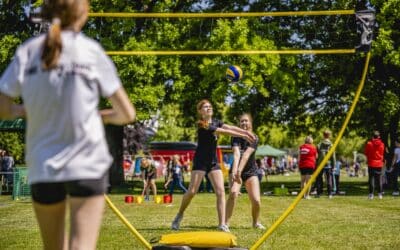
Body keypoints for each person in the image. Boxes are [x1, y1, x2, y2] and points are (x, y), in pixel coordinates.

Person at [0, 1, 136, 249]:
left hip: (43, 167)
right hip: (86, 164)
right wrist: (94, 115)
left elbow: (3, 108)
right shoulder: (90, 50)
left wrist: (28, 110)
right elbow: (126, 113)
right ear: (83, 14)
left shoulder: (28, 51)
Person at [171, 99, 255, 232]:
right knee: (192, 191)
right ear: (200, 111)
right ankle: (179, 215)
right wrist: (244, 134)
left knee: (221, 192)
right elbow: (224, 132)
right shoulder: (202, 124)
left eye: (210, 106)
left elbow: (230, 127)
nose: (208, 108)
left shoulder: (217, 121)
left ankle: (222, 224)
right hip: (200, 161)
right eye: (205, 107)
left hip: (213, 162)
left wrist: (245, 132)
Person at [225, 113, 265, 229]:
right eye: (242, 121)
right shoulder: (235, 137)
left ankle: (255, 223)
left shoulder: (254, 138)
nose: (244, 123)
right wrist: (235, 173)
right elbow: (237, 154)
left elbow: (246, 155)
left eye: (246, 121)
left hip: (251, 171)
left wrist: (239, 171)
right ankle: (225, 224)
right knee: (233, 193)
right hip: (236, 169)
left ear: (250, 123)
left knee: (256, 201)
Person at [364, 131, 385, 199]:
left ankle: (371, 194)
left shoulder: (369, 144)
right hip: (379, 163)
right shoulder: (382, 144)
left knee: (371, 179)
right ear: (379, 137)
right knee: (379, 179)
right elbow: (382, 153)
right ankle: (380, 194)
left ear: (372, 136)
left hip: (371, 163)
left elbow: (366, 152)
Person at [315, 130, 336, 198]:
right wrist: (333, 165)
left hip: (320, 164)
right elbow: (333, 156)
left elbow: (316, 155)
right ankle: (329, 193)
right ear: (329, 136)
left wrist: (316, 163)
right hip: (328, 164)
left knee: (319, 179)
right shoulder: (331, 145)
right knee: (329, 179)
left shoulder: (319, 144)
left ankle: (319, 193)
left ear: (323, 135)